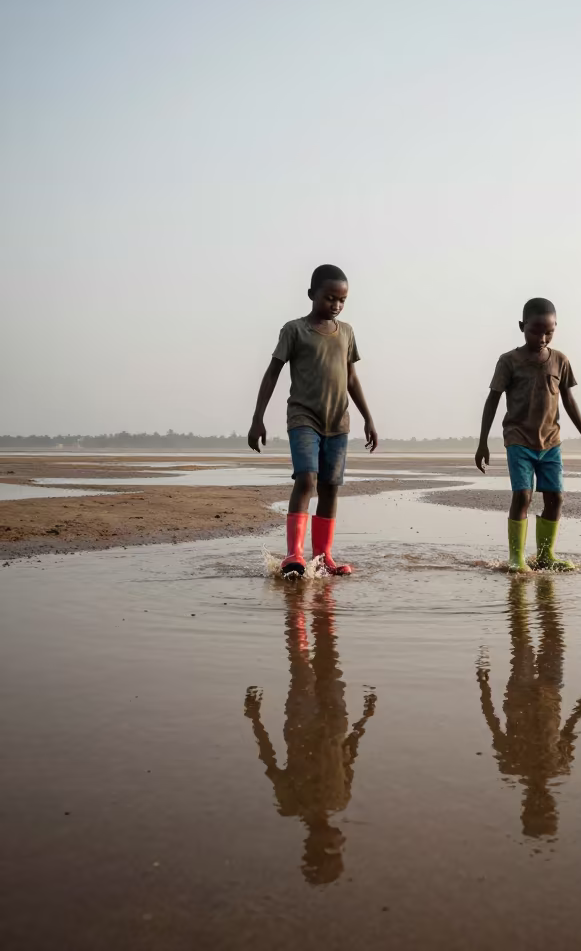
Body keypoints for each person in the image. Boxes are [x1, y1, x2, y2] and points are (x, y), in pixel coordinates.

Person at [248, 264, 377, 576]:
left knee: (331, 487)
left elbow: (352, 378)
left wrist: (368, 419)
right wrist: (258, 418)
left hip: (338, 422)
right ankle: (294, 555)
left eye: (341, 300)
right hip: (304, 418)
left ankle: (323, 558)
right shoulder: (295, 330)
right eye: (329, 297)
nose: (335, 304)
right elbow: (272, 373)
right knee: (307, 479)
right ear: (311, 295)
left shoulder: (346, 332)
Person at [244, 582, 377, 884]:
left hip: (302, 725)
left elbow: (270, 760)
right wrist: (364, 719)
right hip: (335, 722)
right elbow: (349, 756)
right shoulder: (340, 799)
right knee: (328, 655)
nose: (339, 841)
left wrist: (255, 719)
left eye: (331, 848)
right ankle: (317, 599)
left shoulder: (291, 805)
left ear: (311, 846)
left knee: (301, 661)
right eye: (338, 848)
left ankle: (297, 603)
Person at [474, 297, 581, 571]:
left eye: (549, 331)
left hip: (550, 442)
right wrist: (482, 442)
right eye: (536, 331)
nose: (543, 337)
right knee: (523, 495)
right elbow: (492, 400)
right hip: (519, 439)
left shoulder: (560, 361)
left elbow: (569, 400)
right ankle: (517, 558)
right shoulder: (509, 361)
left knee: (556, 497)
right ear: (522, 326)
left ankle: (545, 556)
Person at [476, 576, 581, 837]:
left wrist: (483, 684)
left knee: (523, 638)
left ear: (525, 806)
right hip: (551, 690)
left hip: (523, 692)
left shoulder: (511, 765)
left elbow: (492, 720)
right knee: (553, 632)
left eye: (539, 808)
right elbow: (570, 727)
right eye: (547, 808)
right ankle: (536, 588)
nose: (542, 802)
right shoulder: (559, 766)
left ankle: (525, 589)